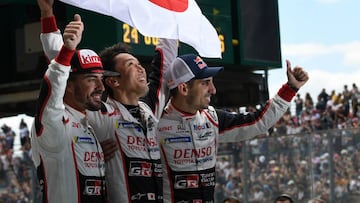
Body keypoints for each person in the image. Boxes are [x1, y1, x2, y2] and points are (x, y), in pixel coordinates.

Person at [37, 0, 177, 201]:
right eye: (131, 65)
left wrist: (171, 12)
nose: (140, 69)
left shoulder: (150, 109)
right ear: (113, 81)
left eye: (139, 64)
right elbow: (65, 74)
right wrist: (47, 13)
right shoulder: (100, 114)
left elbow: (166, 63)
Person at [157, 54, 309, 202]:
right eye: (205, 82)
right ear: (184, 88)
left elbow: (257, 122)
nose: (213, 89)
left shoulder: (212, 118)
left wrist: (291, 89)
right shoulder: (155, 123)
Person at [30, 13, 107, 203]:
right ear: (69, 86)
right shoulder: (54, 122)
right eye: (91, 79)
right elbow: (54, 82)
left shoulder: (87, 125)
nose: (101, 87)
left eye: (101, 79)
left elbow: (54, 56)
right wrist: (68, 49)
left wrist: (47, 13)